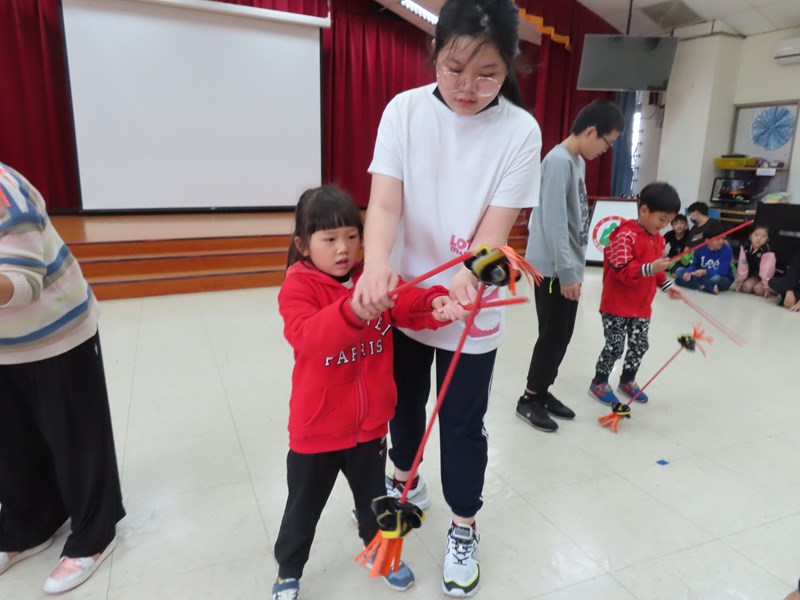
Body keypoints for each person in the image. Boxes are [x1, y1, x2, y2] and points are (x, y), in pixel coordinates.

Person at [352, 0, 542, 594]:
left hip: (469, 307)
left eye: (487, 74)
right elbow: (385, 202)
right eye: (454, 68)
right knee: (403, 408)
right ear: (434, 54)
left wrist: (470, 274)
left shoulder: (520, 130)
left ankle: (464, 523)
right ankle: (404, 484)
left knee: (462, 422)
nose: (467, 87)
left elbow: (495, 230)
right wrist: (378, 264)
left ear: (509, 68)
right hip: (407, 300)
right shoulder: (404, 112)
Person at [272, 186, 464, 600]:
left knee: (374, 505)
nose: (343, 248)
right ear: (303, 246)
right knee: (302, 510)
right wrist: (355, 310)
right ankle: (288, 570)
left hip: (370, 428)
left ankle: (382, 557)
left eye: (352, 236)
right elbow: (309, 338)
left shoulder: (371, 278)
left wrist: (436, 303)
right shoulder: (297, 288)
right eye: (329, 239)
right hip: (316, 430)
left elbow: (406, 300)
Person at [0, 163, 125, 595]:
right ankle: (26, 526)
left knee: (76, 442)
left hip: (55, 333)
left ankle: (94, 535)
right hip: (2, 346)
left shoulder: (5, 192)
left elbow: (22, 283)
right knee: (13, 444)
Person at [516, 100, 624, 433]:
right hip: (551, 270)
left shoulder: (576, 161)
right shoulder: (558, 161)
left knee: (563, 335)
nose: (605, 151)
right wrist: (566, 272)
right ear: (591, 132)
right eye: (606, 143)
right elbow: (553, 222)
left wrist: (574, 270)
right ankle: (529, 398)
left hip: (567, 269)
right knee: (551, 336)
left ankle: (543, 391)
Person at [588, 182, 683, 405]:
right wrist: (651, 268)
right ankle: (599, 383)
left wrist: (667, 287)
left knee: (640, 345)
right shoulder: (623, 236)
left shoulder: (658, 239)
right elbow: (622, 271)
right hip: (616, 306)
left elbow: (656, 272)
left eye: (669, 221)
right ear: (644, 210)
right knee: (615, 345)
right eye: (661, 219)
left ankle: (627, 381)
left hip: (641, 307)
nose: (664, 225)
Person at [674, 220, 734, 294]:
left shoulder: (727, 250)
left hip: (722, 278)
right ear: (707, 240)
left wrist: (705, 272)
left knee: (715, 278)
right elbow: (695, 264)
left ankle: (694, 284)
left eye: (722, 238)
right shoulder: (699, 249)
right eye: (717, 239)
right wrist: (688, 272)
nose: (721, 241)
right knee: (679, 271)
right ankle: (705, 287)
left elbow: (722, 270)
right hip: (702, 276)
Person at [734, 224, 775, 296]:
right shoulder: (745, 246)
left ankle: (772, 290)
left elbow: (766, 271)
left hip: (768, 277)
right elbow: (742, 266)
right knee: (746, 287)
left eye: (763, 236)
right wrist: (740, 282)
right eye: (756, 235)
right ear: (750, 236)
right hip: (755, 274)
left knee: (758, 290)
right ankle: (755, 284)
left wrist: (766, 287)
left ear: (767, 239)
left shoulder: (767, 250)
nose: (759, 238)